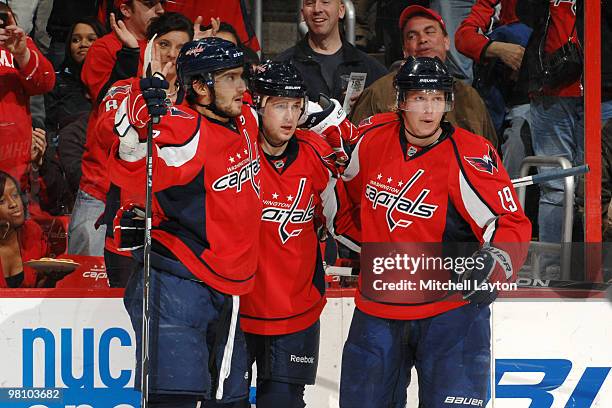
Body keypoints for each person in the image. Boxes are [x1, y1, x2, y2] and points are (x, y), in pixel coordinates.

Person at [338, 56, 531, 407]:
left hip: (451, 310)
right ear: (401, 101)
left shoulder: (472, 154)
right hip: (380, 304)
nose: (429, 110)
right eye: (419, 98)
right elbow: (343, 196)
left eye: (437, 98)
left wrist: (493, 264)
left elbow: (510, 222)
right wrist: (364, 248)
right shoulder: (368, 139)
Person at [108, 37, 261, 407]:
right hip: (177, 283)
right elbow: (135, 170)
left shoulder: (246, 120)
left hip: (230, 286)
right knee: (173, 401)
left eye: (241, 77)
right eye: (230, 78)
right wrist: (134, 124)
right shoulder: (183, 129)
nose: (242, 88)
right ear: (200, 87)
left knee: (230, 402)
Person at [238, 61, 359, 407]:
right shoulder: (233, 151)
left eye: (296, 106)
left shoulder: (318, 155)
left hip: (296, 309)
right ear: (256, 104)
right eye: (279, 105)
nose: (289, 117)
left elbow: (340, 221)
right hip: (237, 309)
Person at [100, 11, 194, 288]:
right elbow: (105, 133)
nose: (172, 54)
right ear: (150, 45)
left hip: (184, 236)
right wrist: (140, 103)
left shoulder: (201, 100)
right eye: (164, 44)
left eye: (181, 48)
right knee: (130, 322)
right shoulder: (122, 89)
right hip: (129, 229)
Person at [68, 0, 164, 256]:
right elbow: (106, 102)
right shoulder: (104, 48)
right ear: (125, 9)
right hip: (101, 188)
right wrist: (129, 56)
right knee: (86, 284)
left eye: (162, 4)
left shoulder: (165, 50)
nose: (160, 10)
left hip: (149, 194)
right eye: (151, 4)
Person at [350, 5, 498, 147]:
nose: (422, 39)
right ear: (404, 50)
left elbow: (490, 154)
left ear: (446, 42)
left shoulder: (469, 97)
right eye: (412, 36)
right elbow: (358, 149)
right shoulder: (378, 93)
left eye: (430, 32)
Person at [455, 0, 532, 179]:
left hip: (540, 91)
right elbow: (463, 38)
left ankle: (504, 198)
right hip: (499, 90)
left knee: (517, 139)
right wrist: (497, 49)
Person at [276, 0, 387, 108]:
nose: (317, 9)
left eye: (325, 2)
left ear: (341, 10)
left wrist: (366, 105)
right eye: (310, 3)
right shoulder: (283, 66)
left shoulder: (372, 69)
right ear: (302, 14)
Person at [0, 3, 55, 192]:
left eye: (5, 20)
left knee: (17, 217)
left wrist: (23, 54)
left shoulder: (21, 47)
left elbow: (46, 83)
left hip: (15, 164)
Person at [45, 17, 106, 140]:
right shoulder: (56, 82)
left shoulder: (115, 81)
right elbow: (48, 127)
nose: (83, 44)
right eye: (75, 40)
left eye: (91, 39)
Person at [0, 171, 49, 288]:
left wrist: (51, 278)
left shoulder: (33, 232)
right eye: (1, 201)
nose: (13, 204)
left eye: (15, 195)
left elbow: (38, 289)